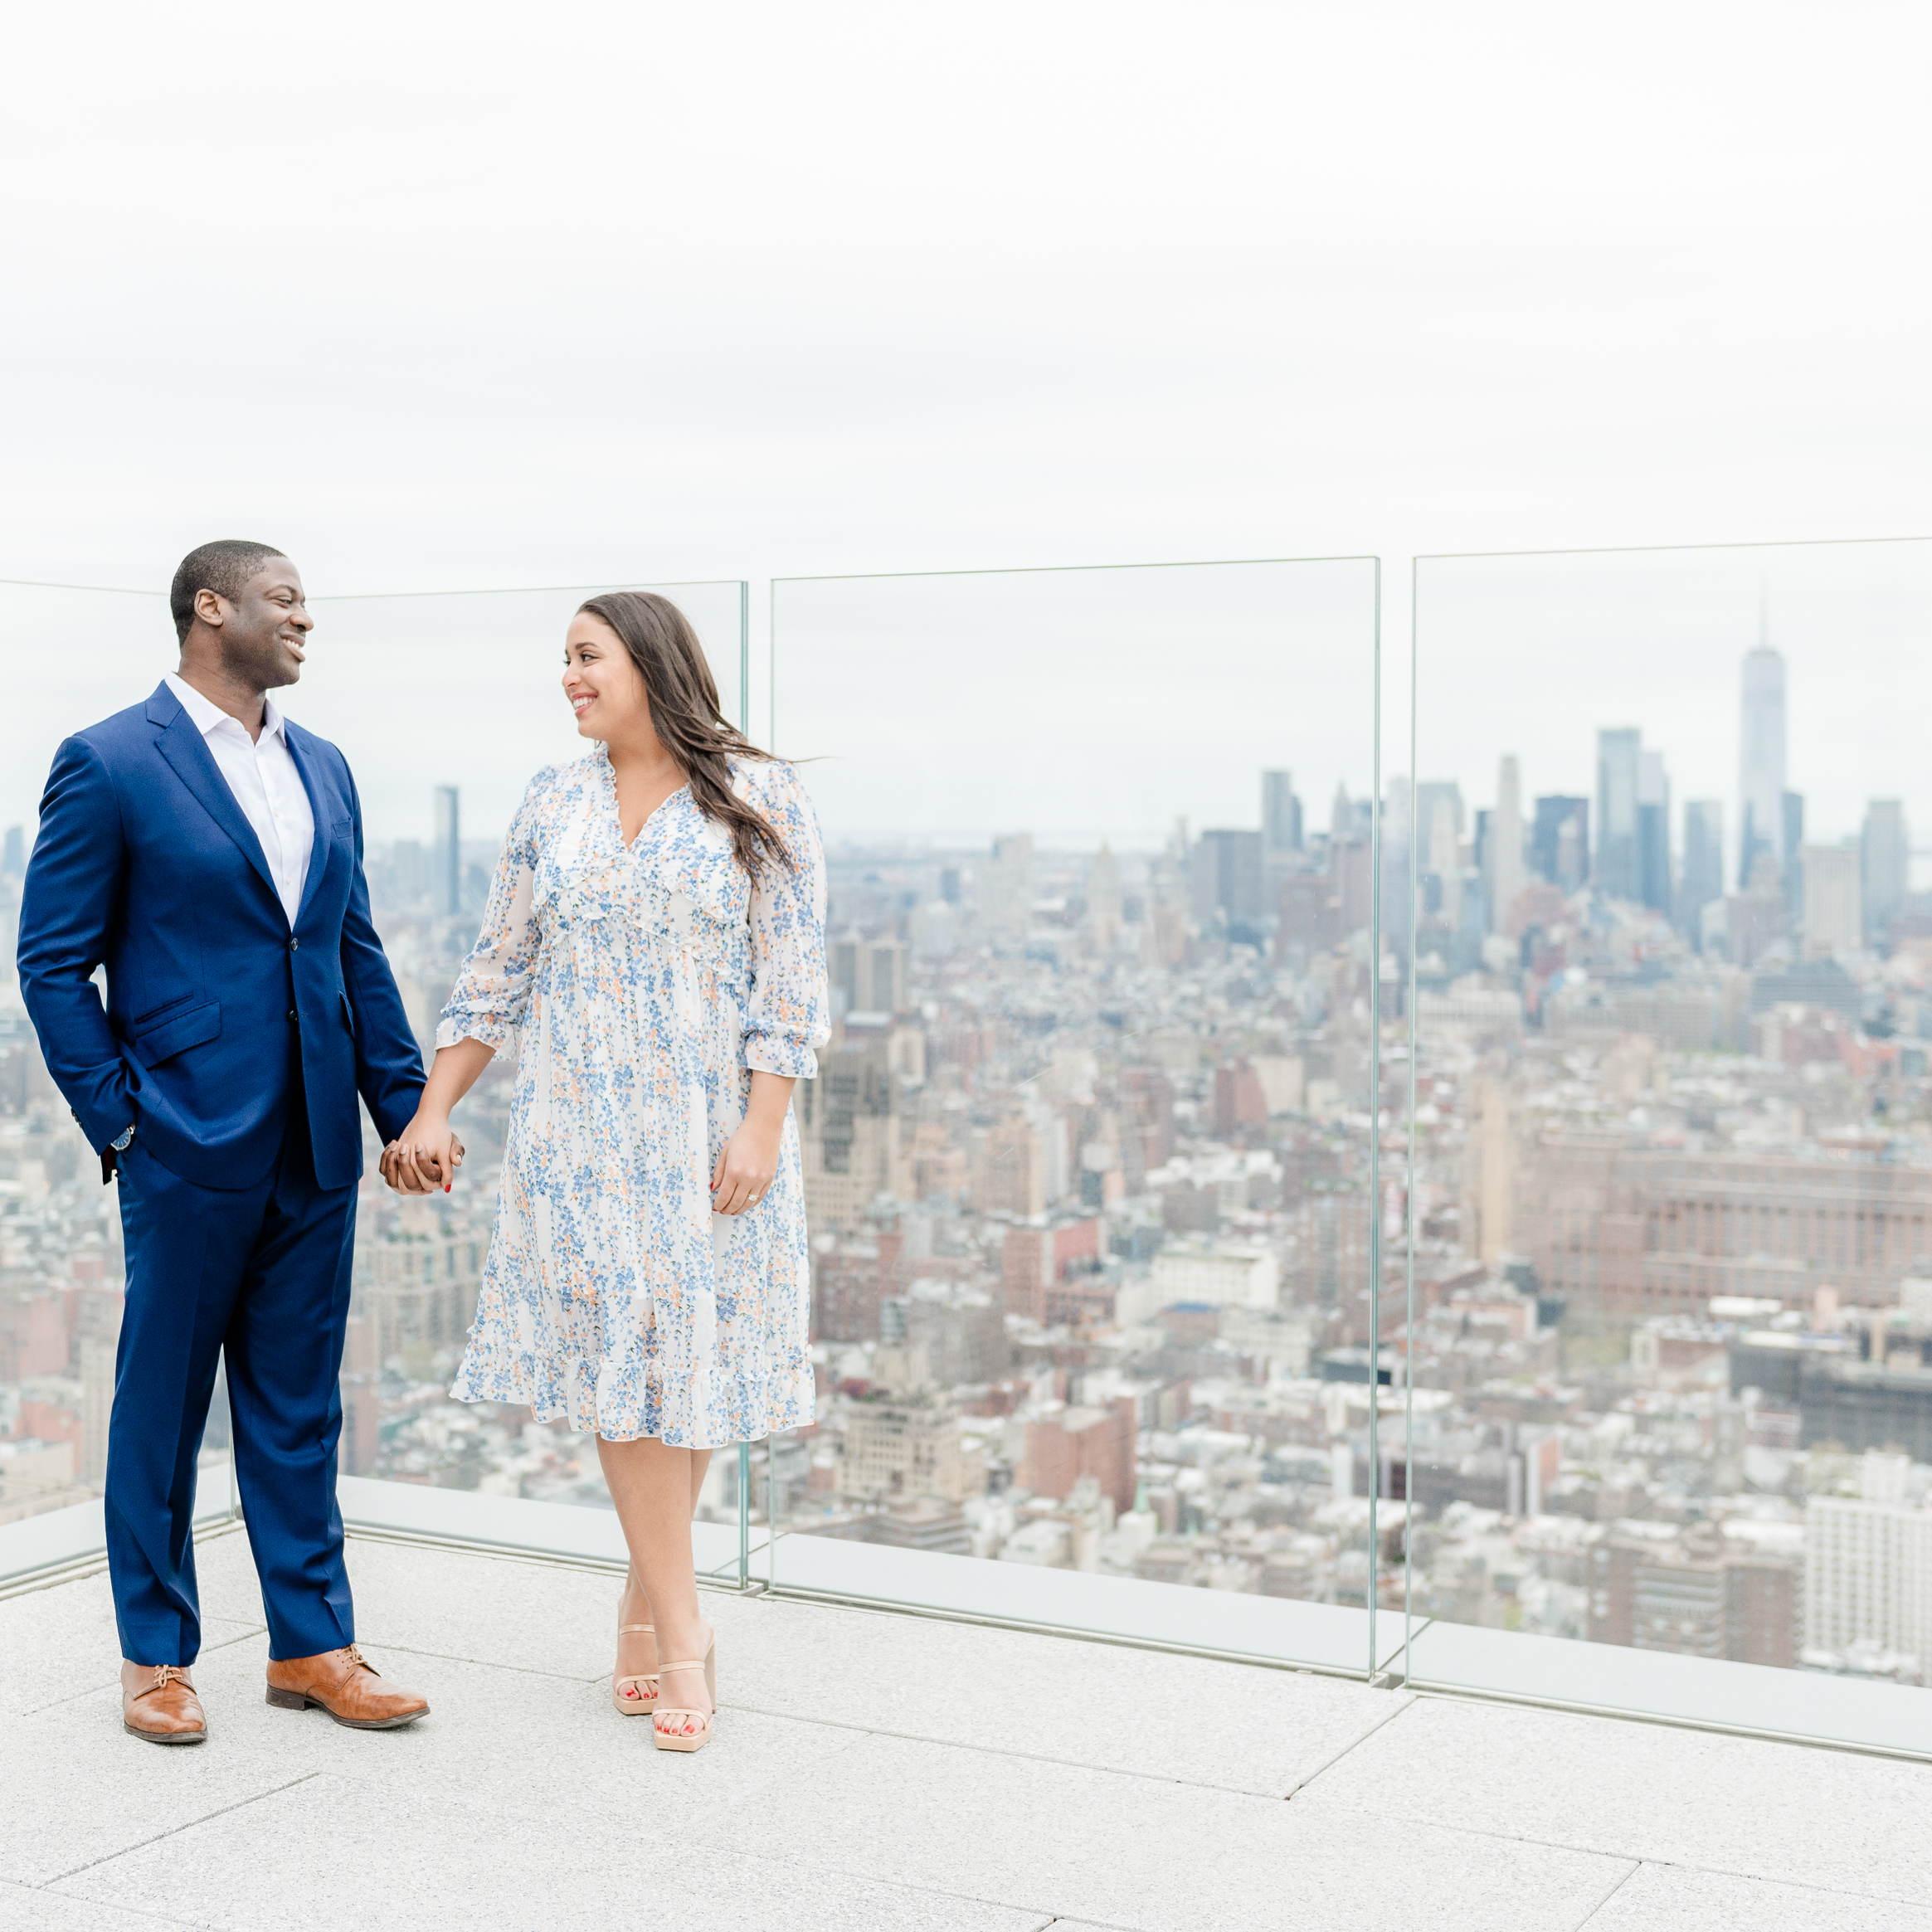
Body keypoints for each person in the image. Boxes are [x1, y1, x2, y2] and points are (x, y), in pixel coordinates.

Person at [385, 589, 829, 1754]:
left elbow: (790, 987)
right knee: (620, 1375)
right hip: (575, 1135)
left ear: (647, 662)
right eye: (564, 660)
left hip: (704, 1134)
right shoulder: (551, 802)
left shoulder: (758, 796)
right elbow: (498, 973)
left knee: (681, 1365)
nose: (568, 677)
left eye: (584, 657)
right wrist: (433, 1106)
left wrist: (760, 1130)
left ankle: (642, 1605)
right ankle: (685, 1625)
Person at [16, 541, 432, 1745]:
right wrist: (122, 1120)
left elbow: (350, 947)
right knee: (163, 1400)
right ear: (212, 608)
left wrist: (400, 1106)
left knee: (299, 1406)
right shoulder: (109, 760)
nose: (308, 618)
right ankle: (155, 1653)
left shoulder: (327, 765)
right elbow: (50, 962)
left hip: (315, 1138)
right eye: (285, 599)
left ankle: (312, 1645)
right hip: (182, 1138)